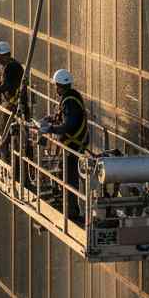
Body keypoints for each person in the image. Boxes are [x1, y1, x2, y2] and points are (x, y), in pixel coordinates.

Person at [41, 68, 88, 223]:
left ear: (59, 86)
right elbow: (63, 117)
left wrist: (51, 129)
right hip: (73, 143)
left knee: (69, 176)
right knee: (64, 172)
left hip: (73, 145)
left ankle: (72, 210)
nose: (55, 88)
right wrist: (51, 119)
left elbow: (68, 125)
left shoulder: (69, 102)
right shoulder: (70, 97)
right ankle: (66, 204)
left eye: (56, 85)